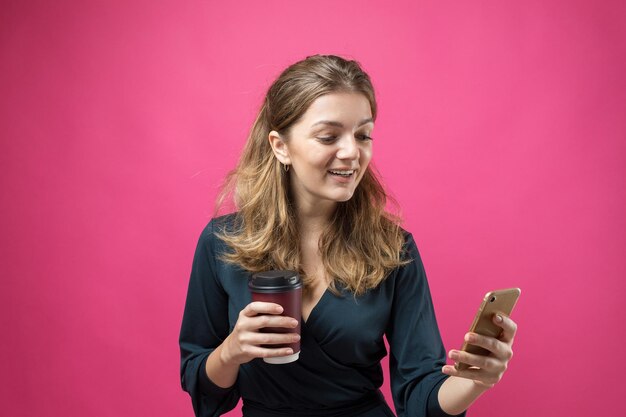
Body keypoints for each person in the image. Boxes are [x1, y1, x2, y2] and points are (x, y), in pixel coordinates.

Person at [179, 54, 517, 417]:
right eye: (328, 136)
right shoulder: (222, 242)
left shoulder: (393, 249)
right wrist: (232, 351)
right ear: (280, 146)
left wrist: (475, 381)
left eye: (363, 135)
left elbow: (420, 396)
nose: (352, 152)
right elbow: (202, 383)